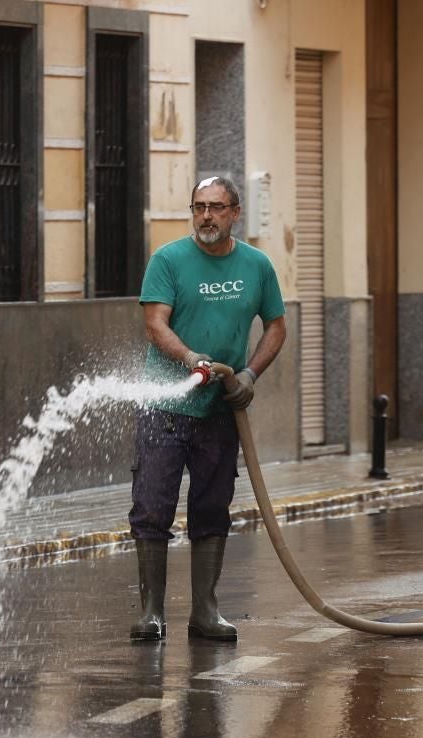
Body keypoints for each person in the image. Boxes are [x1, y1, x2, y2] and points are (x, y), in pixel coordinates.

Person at [130, 176, 286, 643]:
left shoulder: (257, 265)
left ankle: (205, 610)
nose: (206, 217)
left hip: (220, 411)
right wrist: (192, 359)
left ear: (235, 212)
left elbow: (276, 327)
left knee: (212, 507)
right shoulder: (169, 260)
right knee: (152, 506)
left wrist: (250, 375)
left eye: (216, 207)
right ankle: (152, 613)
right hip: (164, 406)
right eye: (198, 207)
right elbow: (155, 323)